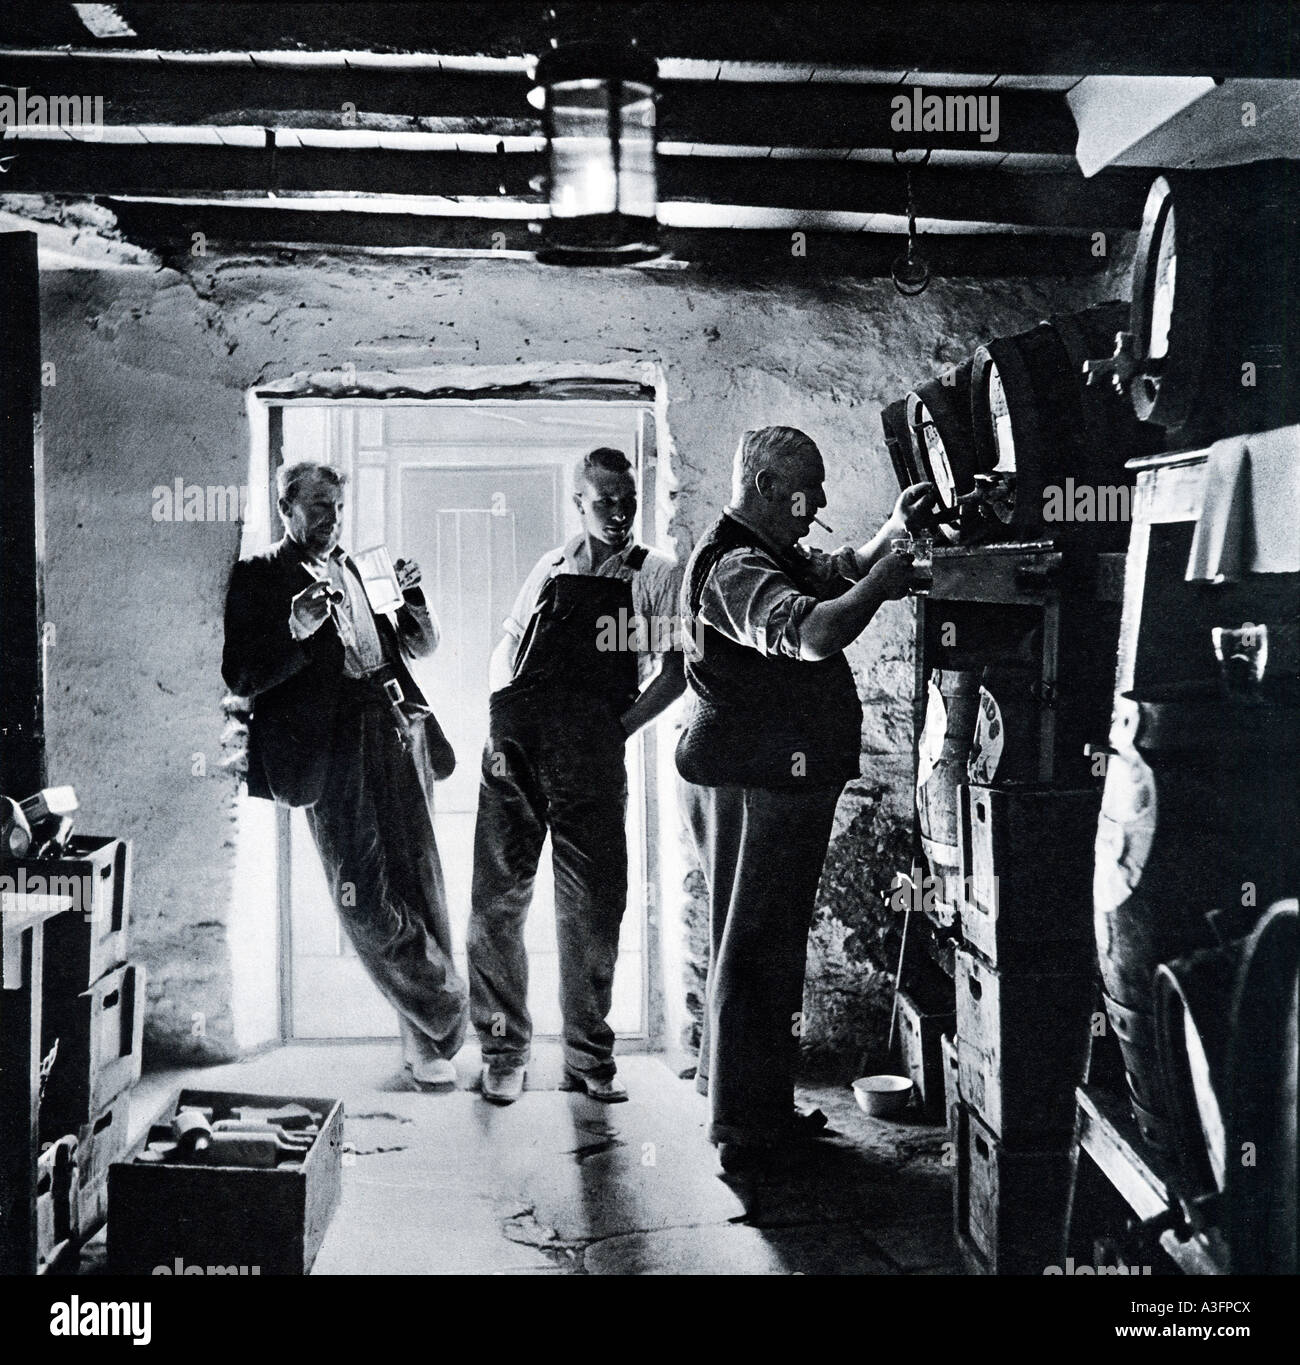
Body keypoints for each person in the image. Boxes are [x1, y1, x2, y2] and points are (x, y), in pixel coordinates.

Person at [676, 425, 933, 1174]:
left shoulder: (766, 551)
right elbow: (814, 633)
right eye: (807, 487)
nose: (817, 501)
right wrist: (884, 585)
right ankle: (744, 1132)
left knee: (763, 946)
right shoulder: (731, 567)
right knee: (754, 948)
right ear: (763, 487)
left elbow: (830, 570)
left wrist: (892, 530)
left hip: (771, 776)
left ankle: (748, 1102)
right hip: (757, 780)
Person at [222, 461, 467, 1088]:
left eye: (337, 508)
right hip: (329, 748)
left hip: (395, 727)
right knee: (362, 895)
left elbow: (416, 647)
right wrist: (296, 633)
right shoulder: (259, 576)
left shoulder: (354, 566)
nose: (332, 520)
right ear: (287, 510)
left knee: (419, 880)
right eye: (319, 507)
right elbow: (242, 676)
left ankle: (425, 1043)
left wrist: (415, 600)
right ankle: (451, 1007)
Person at [469, 447, 686, 1105]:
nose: (619, 514)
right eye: (604, 503)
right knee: (497, 902)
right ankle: (504, 1052)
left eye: (628, 502)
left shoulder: (656, 575)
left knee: (592, 908)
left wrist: (612, 732)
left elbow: (677, 674)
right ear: (578, 503)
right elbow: (509, 646)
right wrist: (498, 717)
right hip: (514, 744)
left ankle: (589, 1056)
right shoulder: (552, 564)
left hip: (588, 753)